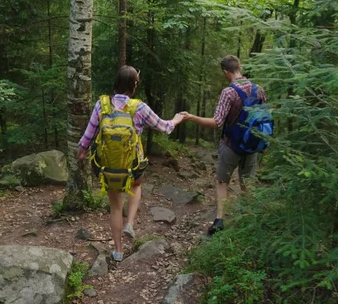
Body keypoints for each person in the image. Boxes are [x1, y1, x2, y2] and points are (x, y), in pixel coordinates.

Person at [77, 65, 184, 261]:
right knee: (137, 184)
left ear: (116, 82)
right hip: (133, 165)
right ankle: (130, 223)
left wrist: (82, 150)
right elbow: (164, 127)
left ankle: (118, 251)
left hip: (109, 166)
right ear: (134, 85)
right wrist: (176, 119)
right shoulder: (139, 107)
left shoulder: (102, 105)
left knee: (115, 207)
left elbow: (89, 133)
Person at [181, 55, 267, 235]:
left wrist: (192, 118)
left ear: (226, 72)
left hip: (231, 145)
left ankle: (219, 220)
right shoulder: (259, 90)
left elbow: (217, 122)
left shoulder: (228, 92)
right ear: (240, 68)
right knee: (248, 183)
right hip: (252, 144)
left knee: (222, 181)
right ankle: (248, 220)